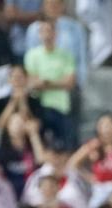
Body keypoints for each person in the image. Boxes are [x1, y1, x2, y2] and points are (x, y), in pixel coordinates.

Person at [24, 20, 77, 149]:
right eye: (43, 31)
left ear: (56, 33)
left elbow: (70, 82)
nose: (47, 34)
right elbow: (33, 83)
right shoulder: (32, 55)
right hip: (39, 106)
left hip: (62, 106)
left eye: (50, 30)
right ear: (39, 34)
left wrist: (46, 82)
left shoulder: (66, 56)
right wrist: (58, 82)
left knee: (66, 145)